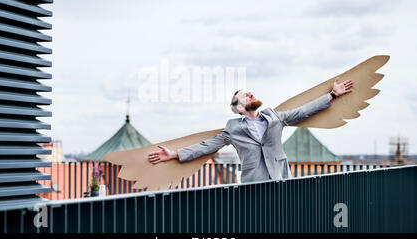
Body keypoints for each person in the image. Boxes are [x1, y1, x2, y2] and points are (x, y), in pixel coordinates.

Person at [148, 77, 353, 183]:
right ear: (238, 107)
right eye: (246, 95)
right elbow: (207, 145)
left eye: (251, 93)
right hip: (252, 183)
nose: (251, 95)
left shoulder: (274, 116)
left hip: (280, 178)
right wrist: (175, 154)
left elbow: (303, 111)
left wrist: (332, 95)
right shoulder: (233, 128)